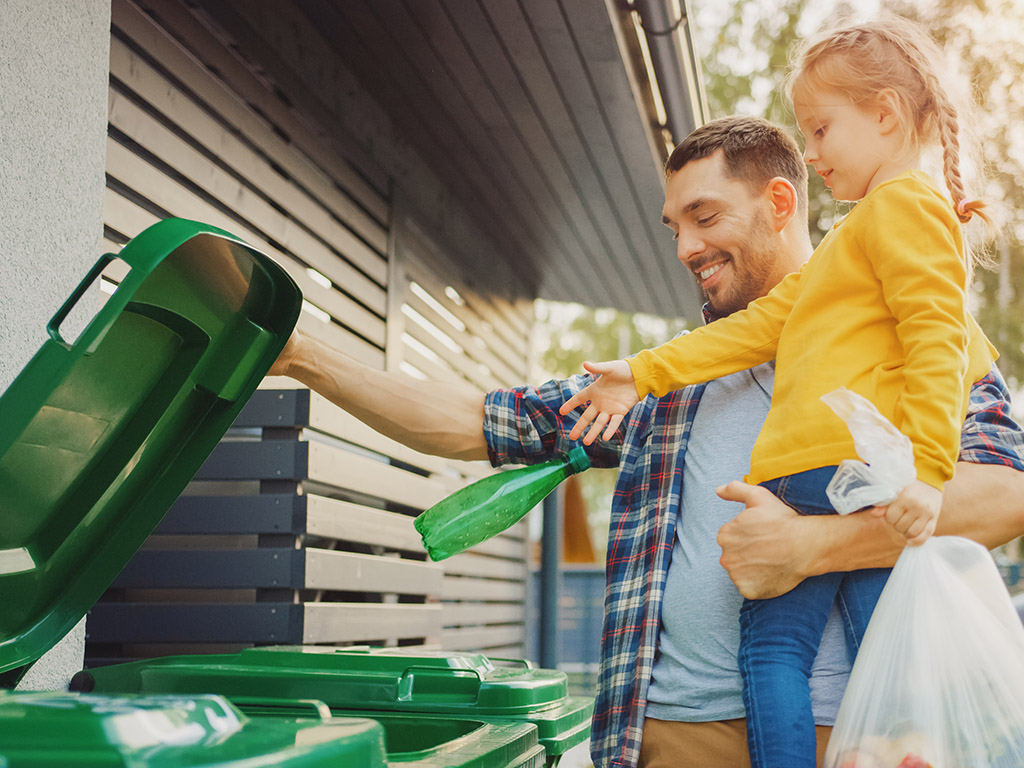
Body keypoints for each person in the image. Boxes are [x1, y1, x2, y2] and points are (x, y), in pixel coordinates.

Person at [267, 117, 1024, 768]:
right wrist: (306, 358)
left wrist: (811, 548)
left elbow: (1003, 498)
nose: (685, 246)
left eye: (705, 216)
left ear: (779, 203)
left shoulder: (918, 331)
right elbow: (477, 421)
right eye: (674, 227)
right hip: (667, 735)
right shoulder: (662, 382)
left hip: (854, 733)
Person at [557, 19, 1020, 768]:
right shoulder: (857, 234)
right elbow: (760, 325)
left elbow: (937, 340)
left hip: (819, 474)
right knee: (886, 645)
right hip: (837, 478)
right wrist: (642, 372)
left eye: (821, 128)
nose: (812, 152)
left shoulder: (905, 207)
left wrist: (930, 474)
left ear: (886, 115)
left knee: (774, 652)